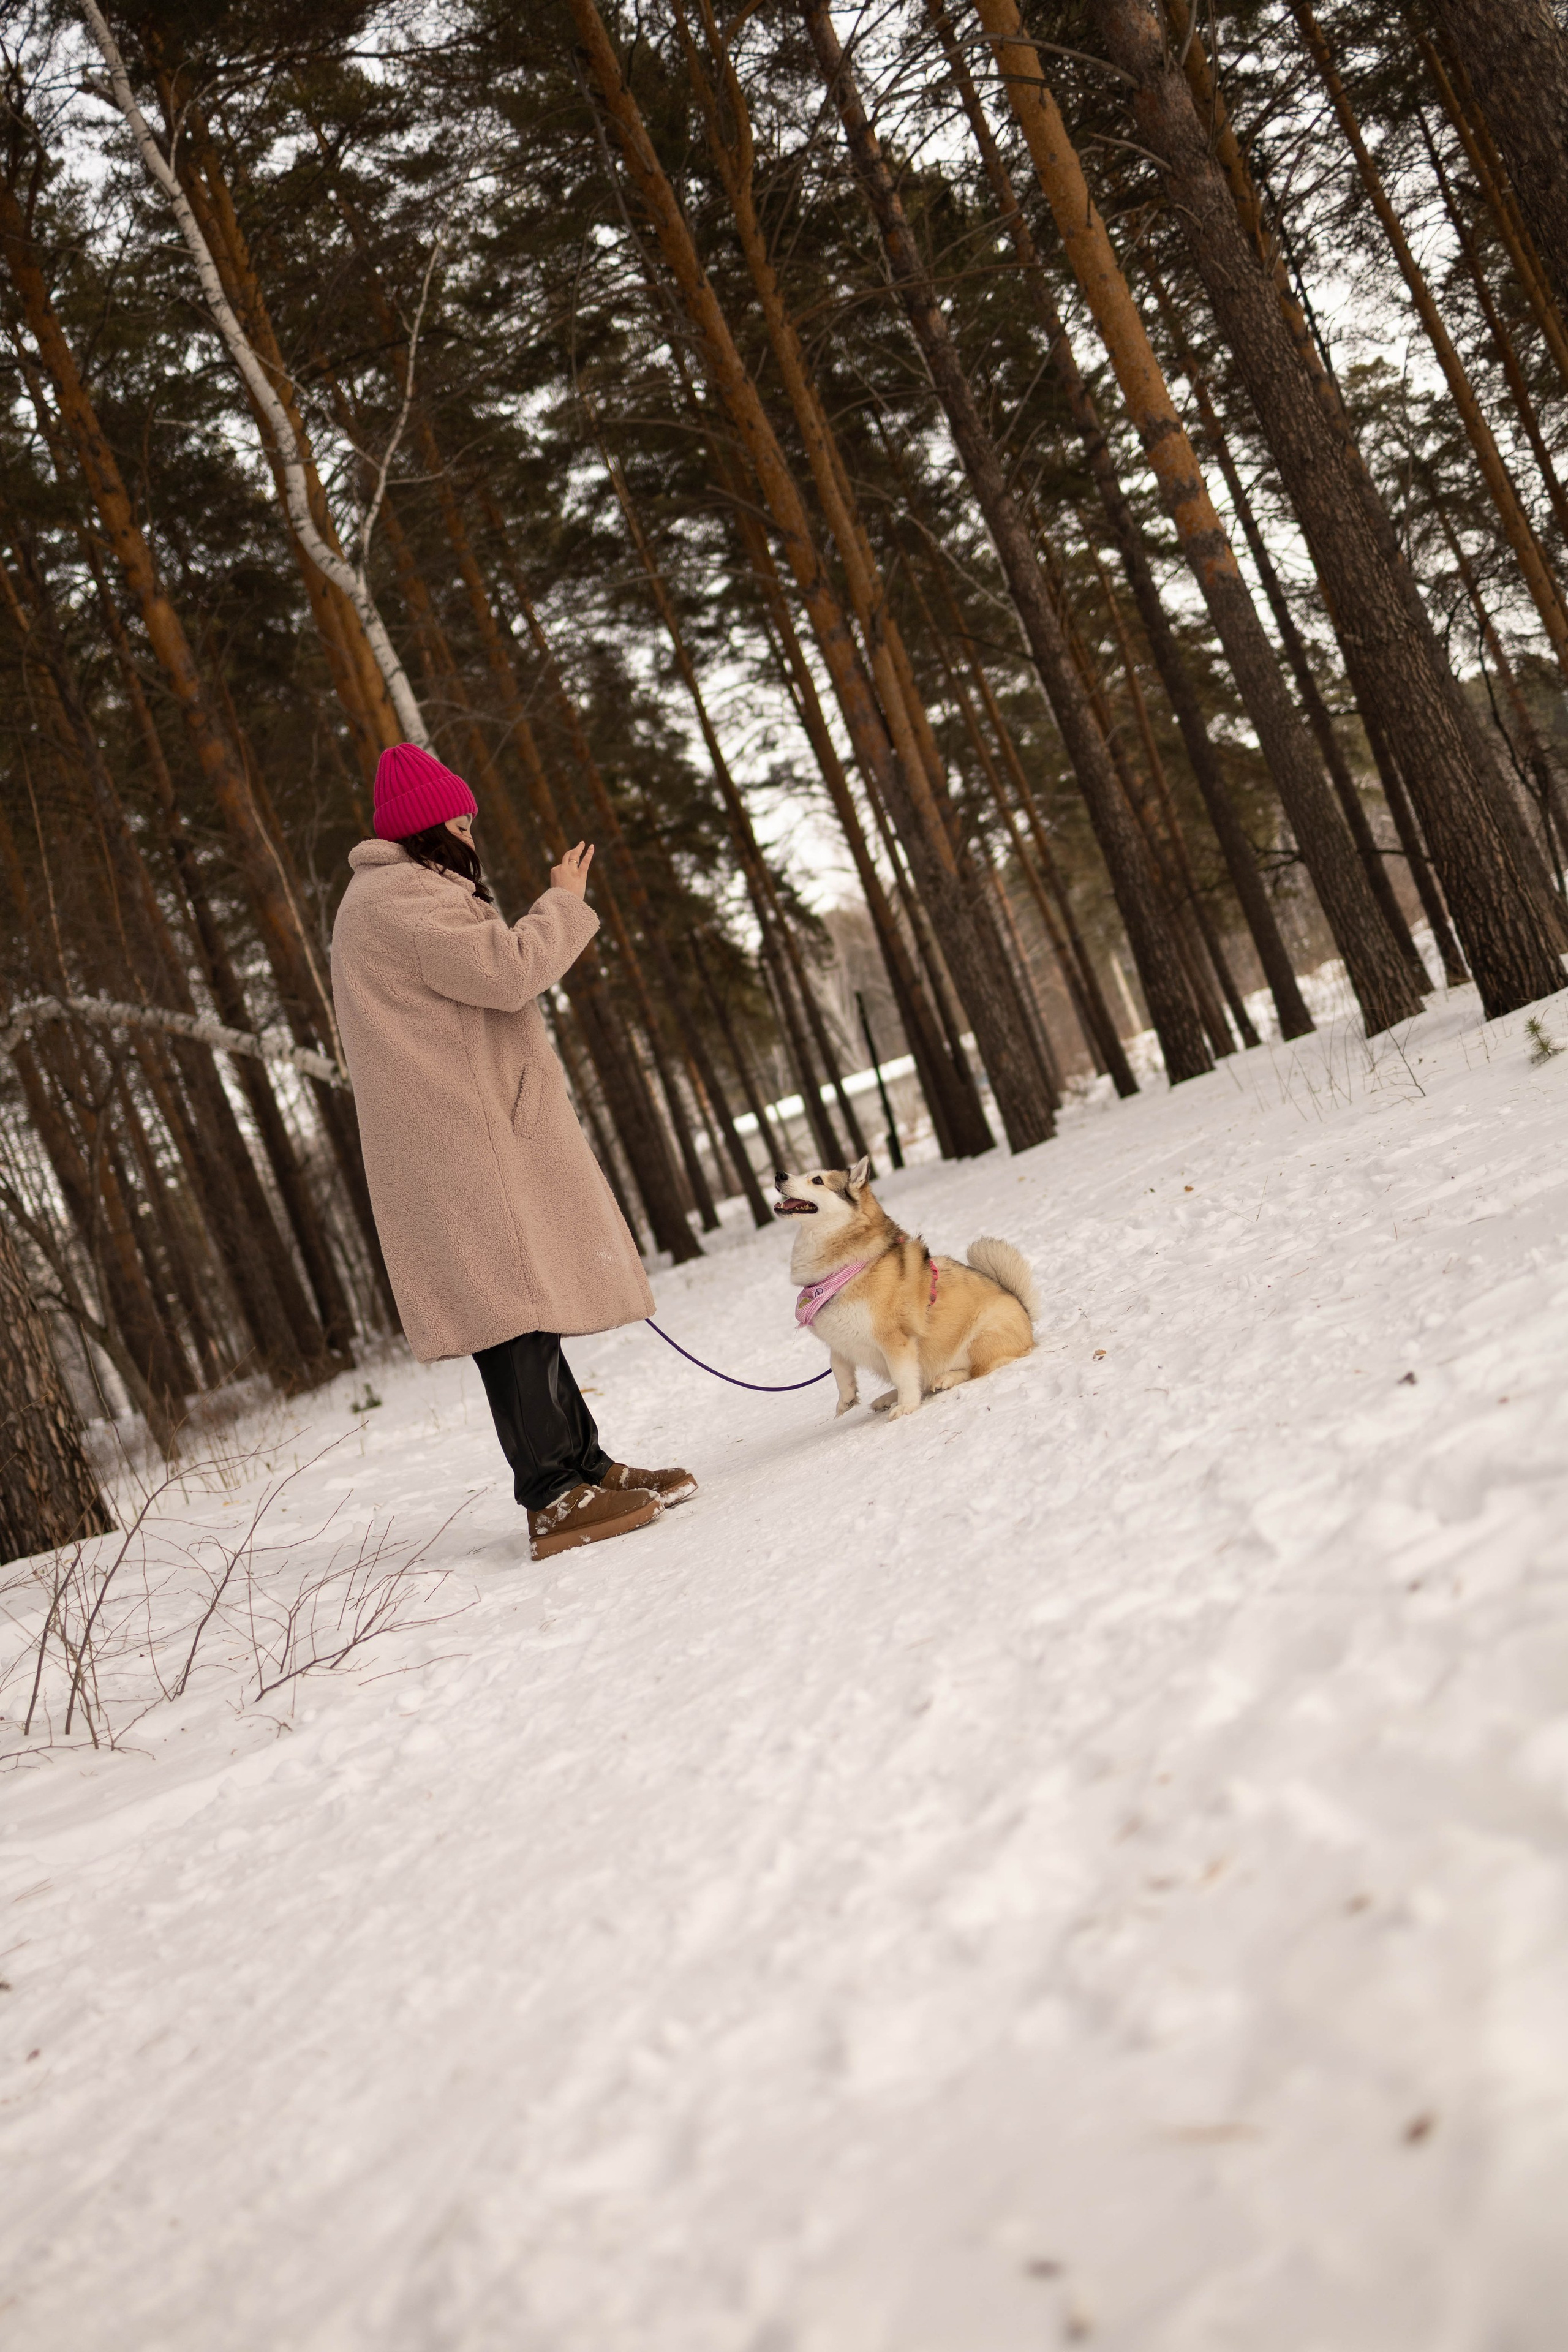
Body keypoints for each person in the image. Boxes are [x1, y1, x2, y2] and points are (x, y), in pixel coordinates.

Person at [330, 741, 695, 1560]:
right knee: (511, 1316)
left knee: (526, 1308)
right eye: (459, 825)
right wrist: (562, 902)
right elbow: (508, 971)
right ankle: (553, 1496)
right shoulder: (402, 900)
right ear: (424, 830)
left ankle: (585, 1468)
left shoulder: (400, 894)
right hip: (462, 1139)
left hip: (468, 1133)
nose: (470, 837)